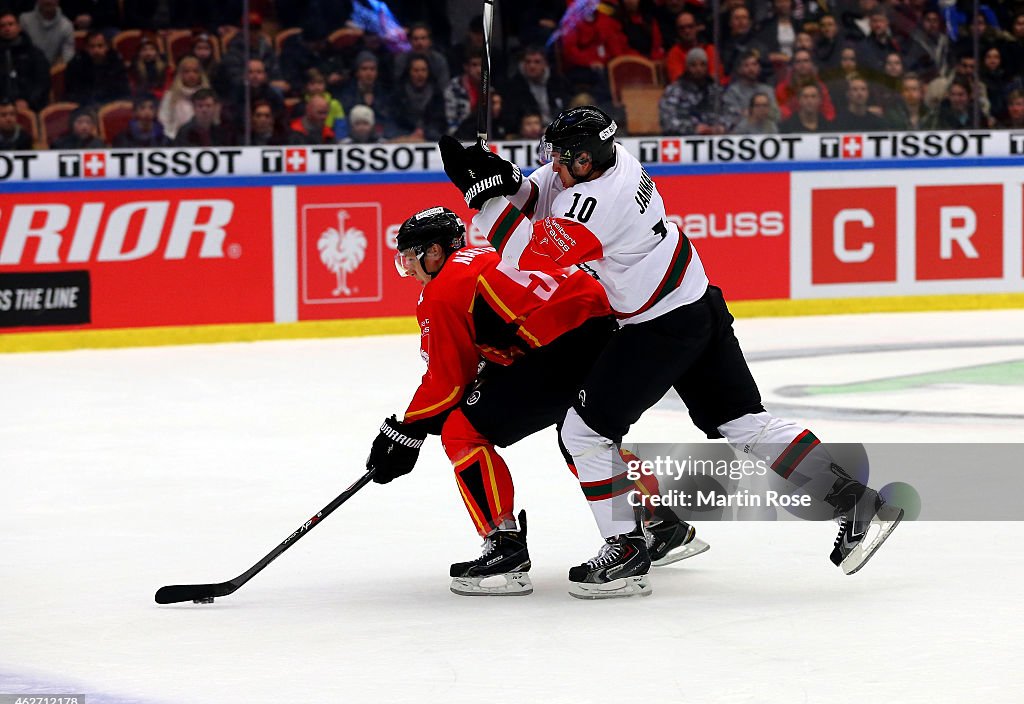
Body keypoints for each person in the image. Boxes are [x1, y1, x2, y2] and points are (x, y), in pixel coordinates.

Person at [438, 105, 903, 594]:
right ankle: (855, 500)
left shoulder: (602, 200)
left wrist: (481, 199)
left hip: (659, 326)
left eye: (561, 158)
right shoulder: (609, 160)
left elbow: (528, 255)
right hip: (698, 301)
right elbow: (540, 194)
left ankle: (625, 548)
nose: (553, 166)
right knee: (746, 423)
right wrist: (501, 178)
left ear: (585, 158)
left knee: (584, 434)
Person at [365, 202, 705, 598]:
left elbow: (447, 381)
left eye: (410, 259)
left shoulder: (440, 291)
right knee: (583, 439)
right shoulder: (494, 253)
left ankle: (504, 548)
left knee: (462, 432)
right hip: (611, 336)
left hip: (561, 351)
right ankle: (661, 523)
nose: (408, 269)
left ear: (434, 252)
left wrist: (405, 429)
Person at [64, 30, 131, 106]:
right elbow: (72, 94)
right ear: (86, 48)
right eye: (92, 46)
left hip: (110, 106)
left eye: (100, 46)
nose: (96, 50)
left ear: (107, 47)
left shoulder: (116, 63)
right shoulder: (76, 64)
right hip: (84, 107)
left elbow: (124, 92)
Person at [0, 11, 50, 112]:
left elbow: (42, 83)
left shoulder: (34, 53)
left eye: (10, 24)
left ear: (19, 27)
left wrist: (28, 101)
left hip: (30, 106)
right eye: (2, 25)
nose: (7, 28)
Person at [158, 55, 210, 141]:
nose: (191, 75)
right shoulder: (170, 96)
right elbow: (163, 120)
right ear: (180, 74)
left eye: (195, 71)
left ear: (201, 74)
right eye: (187, 71)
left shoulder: (209, 95)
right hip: (175, 140)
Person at [18, 0, 74, 67]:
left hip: (54, 73)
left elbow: (68, 57)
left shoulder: (67, 26)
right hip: (27, 71)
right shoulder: (24, 20)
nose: (48, 1)